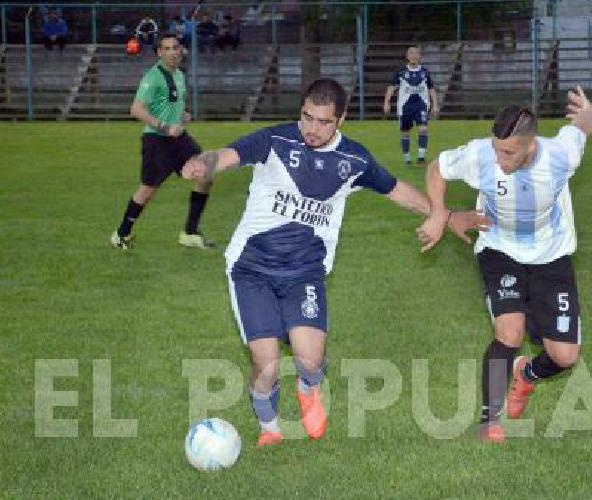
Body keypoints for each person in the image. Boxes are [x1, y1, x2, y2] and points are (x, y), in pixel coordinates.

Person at [181, 79, 478, 447]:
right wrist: (202, 163)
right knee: (268, 364)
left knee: (310, 359)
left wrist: (445, 217)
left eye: (323, 121)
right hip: (251, 269)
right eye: (307, 117)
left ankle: (309, 388)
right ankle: (270, 429)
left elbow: (398, 191)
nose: (312, 128)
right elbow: (227, 155)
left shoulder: (353, 159)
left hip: (305, 270)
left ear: (340, 120)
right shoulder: (276, 140)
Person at [416, 87, 592, 444]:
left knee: (565, 356)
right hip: (499, 249)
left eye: (509, 152)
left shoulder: (561, 156)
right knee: (509, 332)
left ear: (531, 145)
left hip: (552, 256)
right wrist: (440, 213)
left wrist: (587, 114)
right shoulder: (482, 155)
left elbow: (582, 129)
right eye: (497, 149)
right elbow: (438, 167)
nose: (500, 159)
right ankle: (490, 422)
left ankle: (526, 375)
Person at [110, 35, 216, 251]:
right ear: (159, 52)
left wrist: (182, 115)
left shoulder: (178, 75)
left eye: (175, 48)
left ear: (181, 50)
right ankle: (121, 234)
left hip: (179, 140)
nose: (172, 52)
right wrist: (166, 127)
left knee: (205, 173)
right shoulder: (153, 77)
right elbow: (136, 109)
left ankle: (190, 232)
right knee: (147, 191)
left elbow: (170, 103)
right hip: (157, 141)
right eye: (166, 49)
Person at [383, 46, 440, 165]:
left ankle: (421, 158)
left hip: (421, 105)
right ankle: (407, 159)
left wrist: (435, 104)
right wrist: (387, 102)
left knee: (423, 129)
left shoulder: (424, 72)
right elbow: (391, 87)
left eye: (416, 53)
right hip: (405, 106)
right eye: (411, 53)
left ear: (419, 56)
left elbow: (431, 88)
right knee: (405, 132)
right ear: (407, 56)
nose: (414, 56)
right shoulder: (401, 72)